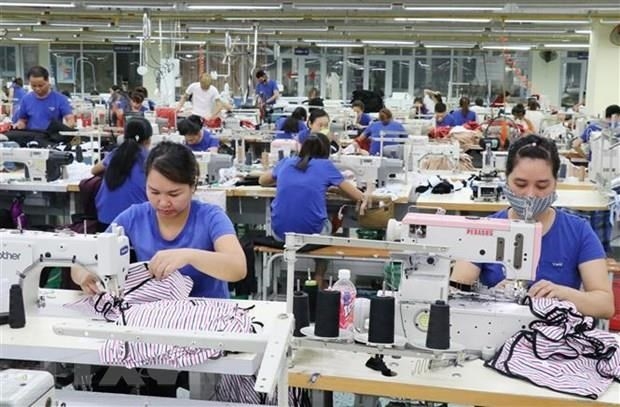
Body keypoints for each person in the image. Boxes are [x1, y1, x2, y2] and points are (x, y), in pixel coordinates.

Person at [451, 135, 614, 319]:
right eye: (520, 184)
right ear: (506, 180)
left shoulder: (578, 232)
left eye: (542, 186)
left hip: (555, 332)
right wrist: (491, 296)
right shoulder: (484, 231)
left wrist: (563, 294)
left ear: (556, 183)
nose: (530, 194)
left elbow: (605, 306)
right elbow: (455, 293)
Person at [73, 141, 246, 298]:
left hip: (208, 314)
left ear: (193, 186)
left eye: (174, 194)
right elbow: (84, 259)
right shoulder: (134, 217)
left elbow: (238, 268)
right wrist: (84, 275)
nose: (163, 203)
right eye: (154, 192)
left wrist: (190, 256)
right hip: (155, 311)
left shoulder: (211, 218)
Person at [258, 132, 366, 285]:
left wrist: (287, 181)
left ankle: (279, 280)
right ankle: (319, 277)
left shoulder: (286, 162)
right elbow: (358, 196)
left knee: (312, 216)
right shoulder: (326, 166)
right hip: (313, 235)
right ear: (326, 151)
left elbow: (262, 180)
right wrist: (334, 188)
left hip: (280, 234)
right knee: (327, 222)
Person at [92, 117, 152, 232]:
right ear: (148, 140)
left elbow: (94, 170)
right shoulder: (150, 159)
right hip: (135, 225)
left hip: (105, 222)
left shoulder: (116, 154)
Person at [9, 65, 75, 147]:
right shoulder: (26, 99)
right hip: (32, 140)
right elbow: (22, 120)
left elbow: (70, 120)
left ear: (47, 81)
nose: (37, 89)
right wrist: (18, 125)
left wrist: (62, 131)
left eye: (40, 85)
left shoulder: (60, 99)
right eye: (33, 86)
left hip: (51, 140)